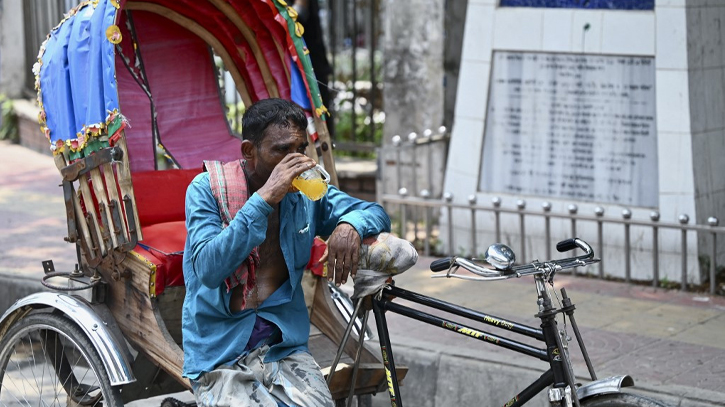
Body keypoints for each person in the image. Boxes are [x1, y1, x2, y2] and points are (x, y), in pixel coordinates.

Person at [181, 98, 391, 407]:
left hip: (284, 347)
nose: (297, 162)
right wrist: (263, 199)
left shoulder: (307, 193)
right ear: (249, 151)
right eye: (282, 150)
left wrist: (350, 225)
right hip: (222, 352)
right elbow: (208, 269)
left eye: (301, 149)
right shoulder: (206, 188)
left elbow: (374, 212)